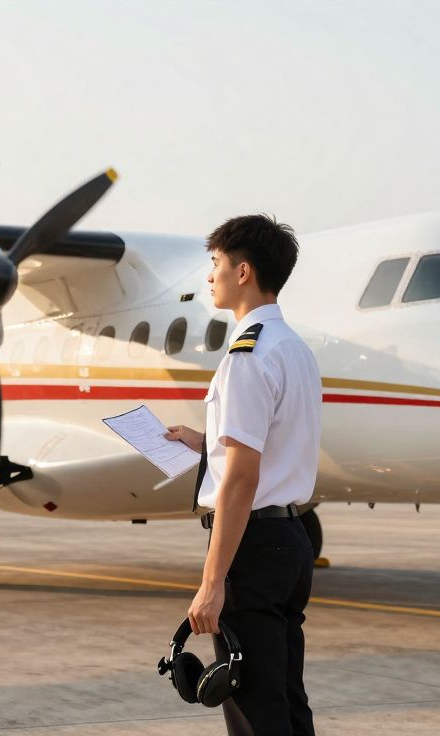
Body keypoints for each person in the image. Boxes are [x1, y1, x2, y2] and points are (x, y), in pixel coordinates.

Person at [165, 213, 322, 736]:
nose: (210, 275)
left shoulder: (246, 356)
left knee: (255, 712)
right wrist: (206, 442)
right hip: (290, 539)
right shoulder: (293, 348)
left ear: (243, 271)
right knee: (286, 702)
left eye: (216, 263)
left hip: (253, 549)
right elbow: (273, 445)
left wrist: (212, 584)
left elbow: (241, 481)